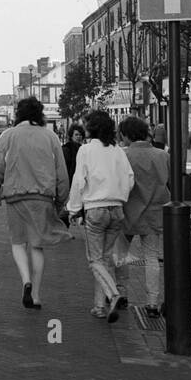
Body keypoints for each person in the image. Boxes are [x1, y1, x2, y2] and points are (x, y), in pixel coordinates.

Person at [0, 97, 69, 312]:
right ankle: (37, 296)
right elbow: (62, 174)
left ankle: (25, 281)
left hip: (15, 197)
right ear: (40, 114)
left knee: (18, 243)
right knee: (37, 245)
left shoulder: (8, 136)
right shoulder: (51, 137)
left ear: (18, 114)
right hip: (42, 198)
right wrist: (60, 201)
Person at [67, 109, 134, 323]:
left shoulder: (86, 150)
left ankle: (113, 295)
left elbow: (79, 181)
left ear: (91, 128)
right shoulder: (118, 151)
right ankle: (99, 306)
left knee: (95, 259)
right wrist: (119, 195)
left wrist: (74, 208)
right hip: (116, 208)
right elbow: (130, 178)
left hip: (96, 208)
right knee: (104, 259)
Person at [119, 116, 169, 318]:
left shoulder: (123, 155)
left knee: (121, 255)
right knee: (151, 258)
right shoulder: (162, 155)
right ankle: (152, 303)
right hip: (154, 213)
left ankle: (120, 294)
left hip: (128, 212)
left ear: (126, 135)